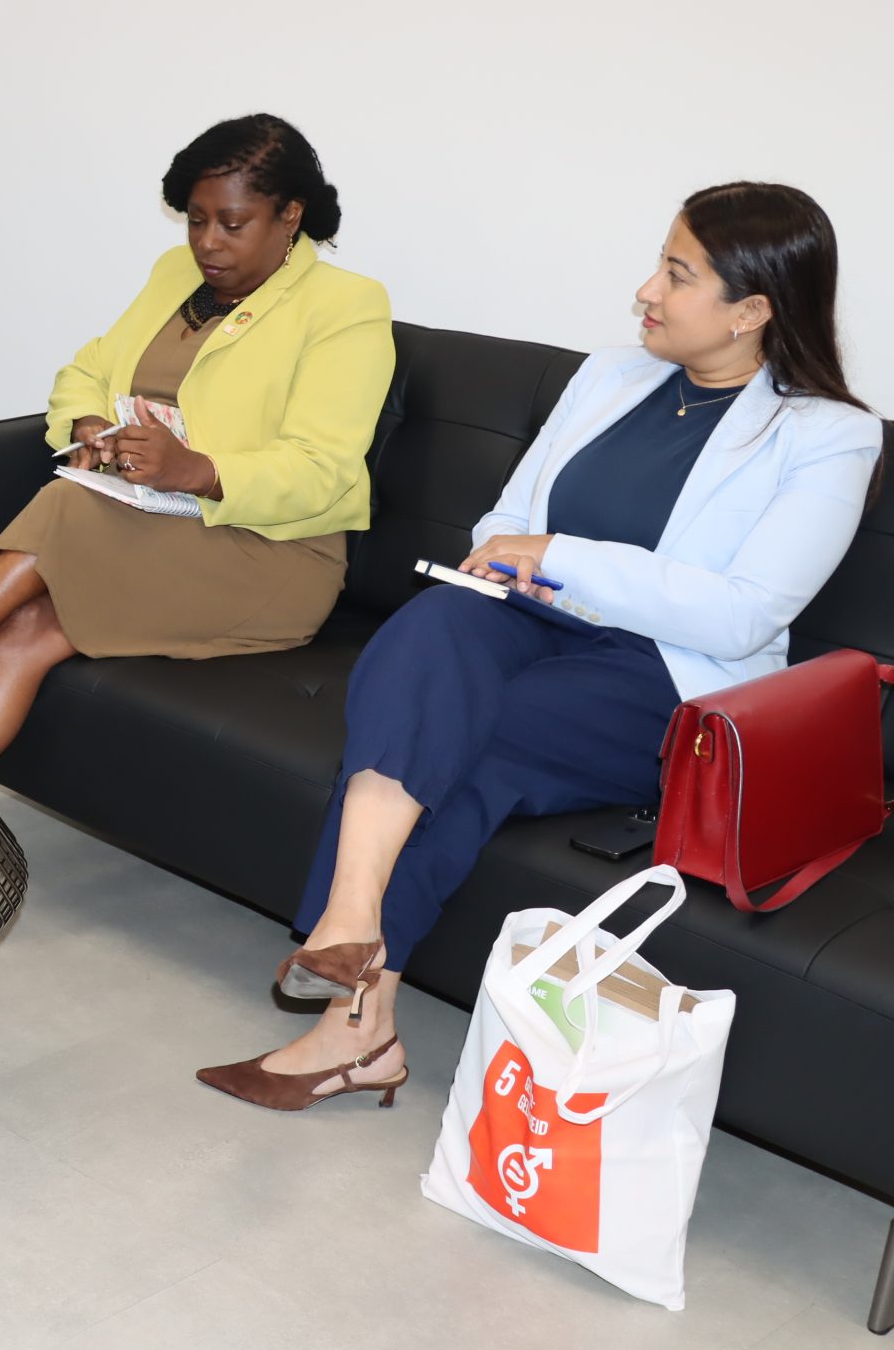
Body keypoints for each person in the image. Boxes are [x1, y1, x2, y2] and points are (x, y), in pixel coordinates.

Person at [200, 182, 883, 1110]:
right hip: (530, 621)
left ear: (751, 311)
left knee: (470, 738)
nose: (646, 290)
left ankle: (355, 1023)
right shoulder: (610, 377)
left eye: (678, 275)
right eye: (660, 263)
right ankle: (353, 918)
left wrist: (560, 556)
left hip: (666, 680)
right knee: (432, 625)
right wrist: (515, 558)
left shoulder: (828, 436)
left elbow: (744, 616)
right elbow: (506, 518)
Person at [0, 115, 394, 777]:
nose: (207, 242)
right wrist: (88, 427)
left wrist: (197, 470)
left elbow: (322, 468)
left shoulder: (346, 305)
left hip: (273, 553)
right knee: (25, 631)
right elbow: (88, 370)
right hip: (157, 523)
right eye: (196, 220)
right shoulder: (173, 274)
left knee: (64, 506)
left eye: (232, 224)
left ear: (290, 215)